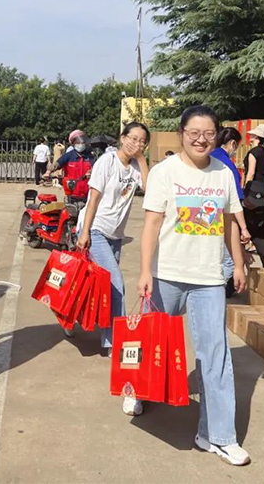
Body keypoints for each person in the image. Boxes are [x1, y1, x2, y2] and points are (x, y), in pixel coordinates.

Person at [137, 105, 252, 466]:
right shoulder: (164, 172)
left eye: (209, 133)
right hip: (167, 274)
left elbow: (229, 222)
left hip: (208, 278)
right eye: (194, 133)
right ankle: (138, 389)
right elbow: (152, 224)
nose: (201, 140)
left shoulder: (224, 173)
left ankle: (217, 436)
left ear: (217, 136)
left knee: (215, 355)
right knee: (153, 341)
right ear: (181, 134)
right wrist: (145, 271)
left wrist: (236, 264)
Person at [74, 122, 150, 354]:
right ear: (122, 138)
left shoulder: (135, 167)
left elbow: (150, 191)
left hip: (115, 235)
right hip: (95, 229)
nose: (136, 144)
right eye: (133, 138)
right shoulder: (107, 162)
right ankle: (116, 343)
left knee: (100, 288)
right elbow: (94, 199)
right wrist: (85, 232)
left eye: (142, 141)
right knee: (116, 285)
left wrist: (142, 160)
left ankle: (72, 314)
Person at [211, 127, 245, 296]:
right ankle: (216, 293)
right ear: (232, 143)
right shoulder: (227, 166)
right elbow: (234, 202)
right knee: (229, 260)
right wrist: (243, 228)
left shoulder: (209, 157)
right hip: (224, 219)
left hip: (203, 216)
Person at [48, 130, 95, 203]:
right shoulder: (68, 156)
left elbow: (95, 168)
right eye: (78, 143)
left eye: (82, 143)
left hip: (87, 193)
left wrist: (90, 172)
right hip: (72, 193)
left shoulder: (89, 156)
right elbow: (57, 164)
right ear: (73, 144)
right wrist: (48, 172)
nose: (80, 144)